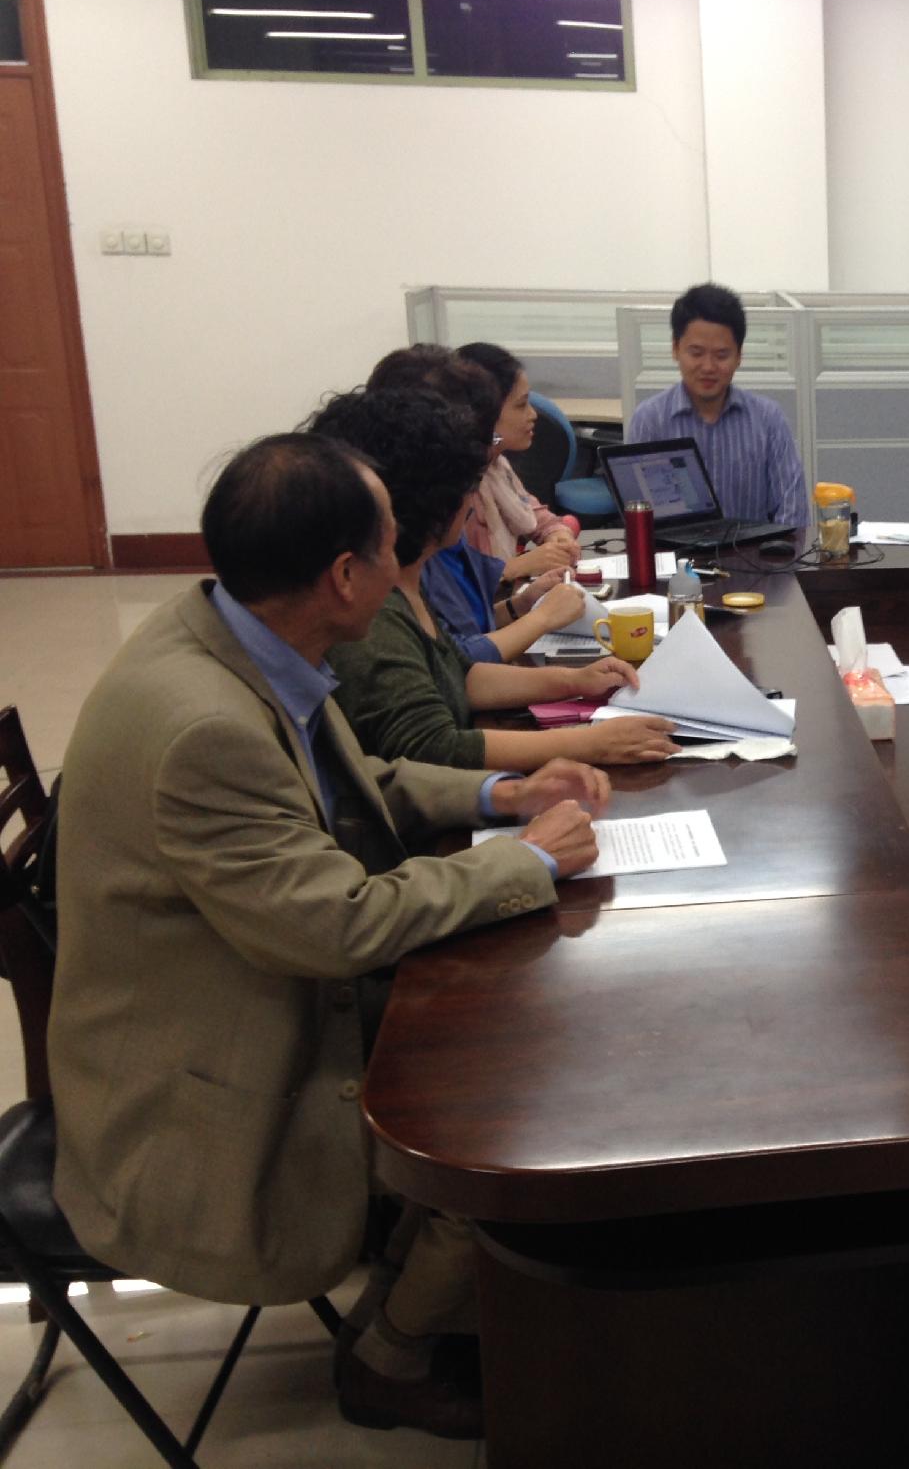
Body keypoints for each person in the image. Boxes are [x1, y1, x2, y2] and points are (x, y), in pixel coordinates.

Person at [49, 433, 609, 1438]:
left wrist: (500, 793)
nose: (407, 570)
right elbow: (336, 923)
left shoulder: (236, 632)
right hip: (210, 1074)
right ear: (346, 576)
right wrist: (522, 862)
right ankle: (391, 1356)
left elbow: (354, 782)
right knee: (509, 1101)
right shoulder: (204, 726)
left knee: (521, 1024)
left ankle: (429, 1299)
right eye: (393, 547)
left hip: (248, 980)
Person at [315, 387, 679, 770]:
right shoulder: (375, 609)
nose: (472, 503)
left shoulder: (408, 579)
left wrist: (574, 681)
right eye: (468, 485)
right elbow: (431, 746)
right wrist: (588, 744)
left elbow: (461, 676)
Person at [366, 346, 582, 664]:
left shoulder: (488, 475)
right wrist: (541, 616)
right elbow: (458, 665)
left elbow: (463, 635)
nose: (533, 414)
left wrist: (521, 605)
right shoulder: (419, 539)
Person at [623, 283, 812, 532]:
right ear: (675, 349)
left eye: (722, 355)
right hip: (674, 555)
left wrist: (777, 555)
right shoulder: (650, 420)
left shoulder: (768, 420)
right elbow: (637, 520)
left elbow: (793, 513)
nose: (708, 367)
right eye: (696, 353)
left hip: (756, 555)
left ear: (739, 355)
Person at [455, 340, 581, 581]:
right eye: (521, 405)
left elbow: (540, 519)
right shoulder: (458, 488)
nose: (533, 414)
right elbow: (453, 585)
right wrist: (519, 566)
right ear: (485, 413)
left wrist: (558, 536)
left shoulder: (496, 467)